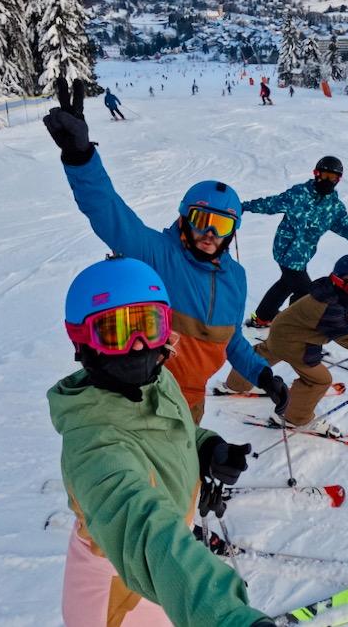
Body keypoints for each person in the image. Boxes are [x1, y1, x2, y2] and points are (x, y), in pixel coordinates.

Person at [44, 79, 288, 423]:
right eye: (202, 220)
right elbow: (110, 215)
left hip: (191, 404)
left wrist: (264, 375)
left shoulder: (237, 278)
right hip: (147, 401)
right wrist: (80, 157)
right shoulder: (159, 255)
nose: (209, 234)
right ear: (184, 218)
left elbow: (230, 342)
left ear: (233, 233)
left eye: (221, 226)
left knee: (188, 470)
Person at [49, 257, 273, 627]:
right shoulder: (94, 444)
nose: (137, 347)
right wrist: (226, 617)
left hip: (167, 577)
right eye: (115, 333)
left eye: (147, 328)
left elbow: (173, 429)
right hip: (121, 590)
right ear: (81, 340)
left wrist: (205, 448)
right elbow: (144, 529)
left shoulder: (157, 381)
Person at [223, 255, 348, 436]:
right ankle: (294, 418)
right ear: (338, 281)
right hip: (293, 341)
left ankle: (236, 384)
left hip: (282, 329)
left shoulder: (335, 292)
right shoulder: (330, 309)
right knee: (319, 380)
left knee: (265, 353)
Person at [241, 155, 348, 329]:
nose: (327, 180)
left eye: (332, 177)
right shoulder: (299, 193)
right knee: (306, 293)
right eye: (324, 175)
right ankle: (292, 328)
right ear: (316, 173)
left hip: (303, 256)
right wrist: (243, 206)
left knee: (286, 284)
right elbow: (271, 204)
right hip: (286, 250)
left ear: (338, 180)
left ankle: (261, 319)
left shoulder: (333, 207)